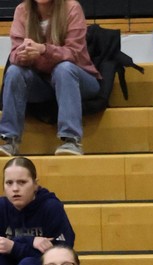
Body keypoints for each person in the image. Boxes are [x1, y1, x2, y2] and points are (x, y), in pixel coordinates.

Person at [0, 0, 101, 157]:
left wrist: (43, 50)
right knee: (14, 71)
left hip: (79, 79)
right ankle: (9, 140)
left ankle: (71, 140)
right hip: (44, 84)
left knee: (64, 69)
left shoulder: (71, 8)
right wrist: (24, 55)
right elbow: (14, 55)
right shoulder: (22, 10)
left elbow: (74, 54)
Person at [0, 156, 75, 265]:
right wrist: (31, 241)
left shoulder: (50, 207)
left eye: (22, 182)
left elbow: (64, 252)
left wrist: (15, 247)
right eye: (9, 183)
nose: (15, 189)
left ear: (35, 185)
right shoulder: (1, 207)